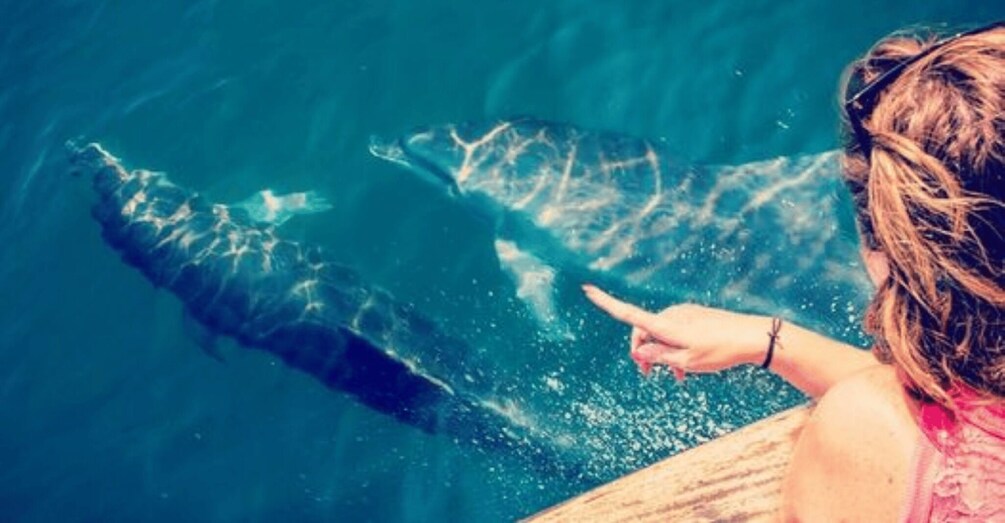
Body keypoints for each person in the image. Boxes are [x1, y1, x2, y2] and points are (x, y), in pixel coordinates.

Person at [584, 21, 1005, 522]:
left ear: (886, 256)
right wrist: (770, 340)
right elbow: (972, 417)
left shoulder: (860, 437)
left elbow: (909, 427)